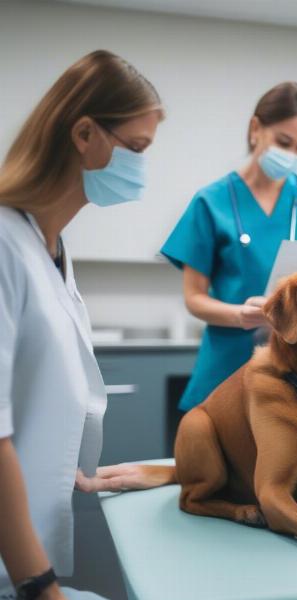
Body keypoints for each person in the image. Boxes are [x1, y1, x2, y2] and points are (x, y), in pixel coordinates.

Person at [0, 50, 171, 600]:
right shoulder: (4, 244)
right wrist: (39, 584)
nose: (141, 168)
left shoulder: (49, 248)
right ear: (84, 134)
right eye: (137, 149)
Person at [161, 82, 297, 412]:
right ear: (256, 129)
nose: (292, 155)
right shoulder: (211, 202)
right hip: (230, 366)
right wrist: (241, 315)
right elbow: (194, 299)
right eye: (284, 142)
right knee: (218, 452)